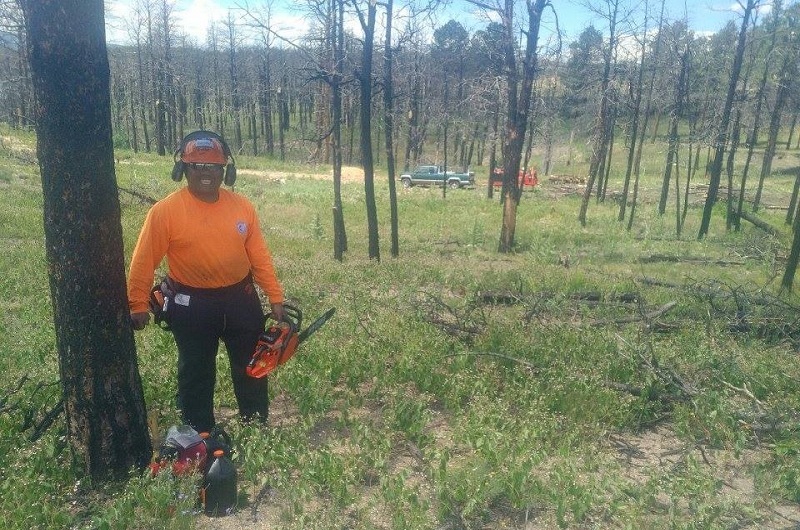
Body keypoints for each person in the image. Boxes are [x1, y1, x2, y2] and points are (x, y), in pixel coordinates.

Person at [127, 130, 285, 433]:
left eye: (213, 166)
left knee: (252, 366)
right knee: (196, 372)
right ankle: (198, 434)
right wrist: (137, 303)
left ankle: (255, 426)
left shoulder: (242, 208)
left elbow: (260, 257)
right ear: (183, 169)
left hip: (241, 300)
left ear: (225, 170)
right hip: (191, 305)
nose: (205, 173)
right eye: (196, 166)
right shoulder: (165, 212)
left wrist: (275, 297)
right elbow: (143, 259)